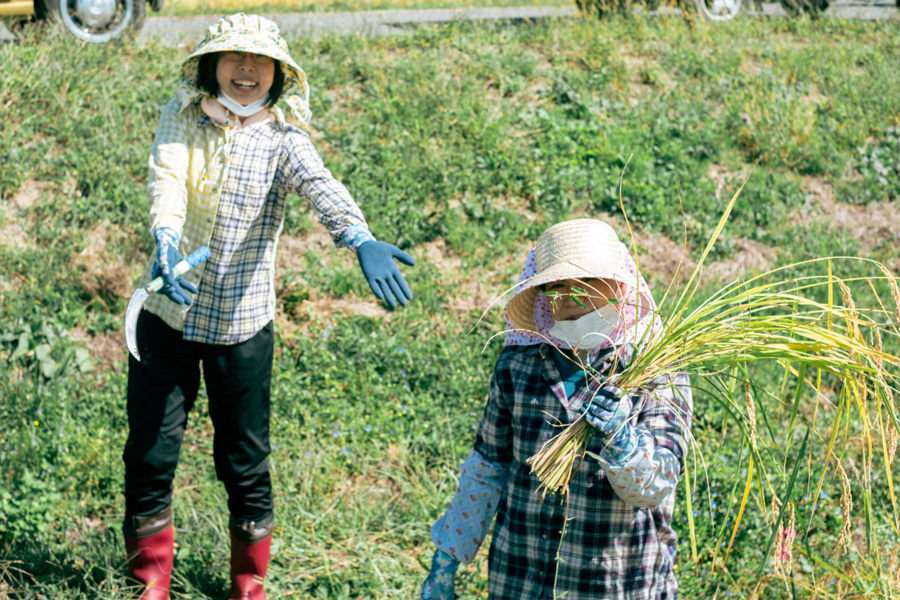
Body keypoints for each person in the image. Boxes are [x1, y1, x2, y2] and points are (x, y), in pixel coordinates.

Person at [122, 14, 414, 600]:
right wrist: (166, 239)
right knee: (150, 452)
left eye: (261, 62)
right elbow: (168, 176)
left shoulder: (283, 140)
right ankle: (149, 582)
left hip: (241, 325)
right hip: (166, 316)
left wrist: (358, 236)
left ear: (279, 75)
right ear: (211, 66)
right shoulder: (181, 116)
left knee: (245, 457)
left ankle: (248, 585)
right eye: (234, 58)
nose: (247, 70)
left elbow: (320, 184)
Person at [420, 218, 692, 600]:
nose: (571, 298)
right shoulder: (519, 365)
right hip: (521, 577)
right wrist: (446, 561)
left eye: (587, 282)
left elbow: (659, 486)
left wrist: (623, 442)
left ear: (619, 286)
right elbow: (487, 467)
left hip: (614, 583)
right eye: (557, 285)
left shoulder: (650, 370)